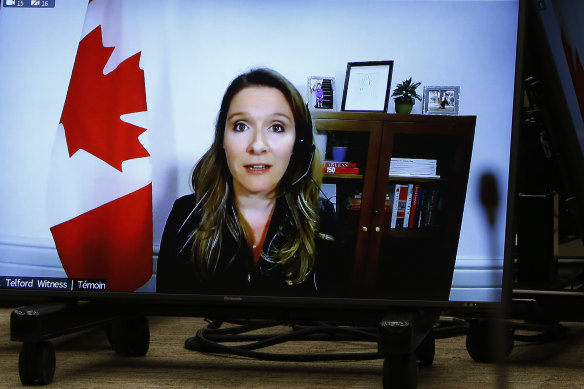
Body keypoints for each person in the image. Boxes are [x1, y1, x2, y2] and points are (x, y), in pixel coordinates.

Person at [156, 68, 338, 296]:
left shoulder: (320, 216)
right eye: (241, 126)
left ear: (298, 146)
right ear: (223, 139)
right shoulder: (185, 214)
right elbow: (166, 316)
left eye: (277, 127)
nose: (258, 145)